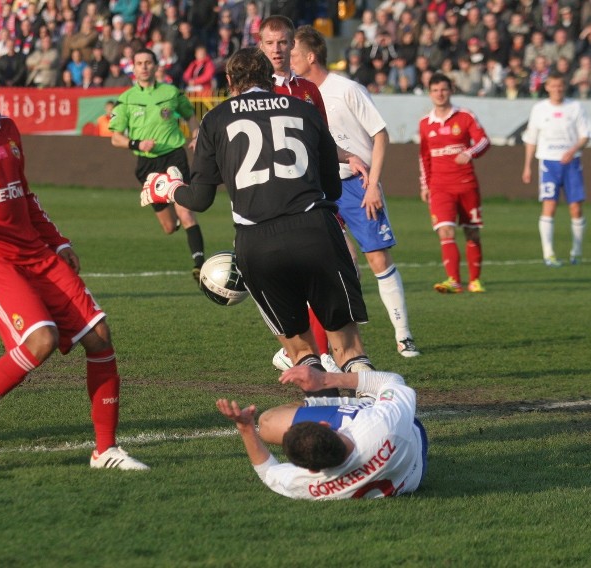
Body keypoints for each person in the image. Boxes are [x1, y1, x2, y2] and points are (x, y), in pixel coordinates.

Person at [0, 47, 148, 473]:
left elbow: (24, 195)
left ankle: (104, 449)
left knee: (100, 337)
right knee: (40, 341)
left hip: (36, 252)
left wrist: (57, 241)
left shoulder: (8, 129)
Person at [140, 47, 376, 393]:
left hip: (258, 241)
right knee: (349, 348)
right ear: (271, 78)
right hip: (315, 230)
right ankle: (381, 423)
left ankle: (328, 432)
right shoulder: (304, 110)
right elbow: (331, 188)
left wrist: (168, 187)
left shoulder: (216, 119)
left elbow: (200, 199)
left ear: (231, 81)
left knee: (303, 354)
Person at [291, 25, 420, 359]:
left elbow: (380, 135)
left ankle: (403, 336)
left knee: (378, 259)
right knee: (322, 264)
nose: (287, 59)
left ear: (310, 55)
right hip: (319, 189)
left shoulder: (347, 89)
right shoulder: (295, 94)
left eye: (292, 53)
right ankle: (322, 349)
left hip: (356, 186)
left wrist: (373, 184)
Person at [258, 14, 369, 373]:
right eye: (270, 43)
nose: (277, 49)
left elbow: (322, 141)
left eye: (282, 42)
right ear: (261, 46)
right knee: (307, 274)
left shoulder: (308, 91)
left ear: (293, 45)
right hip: (275, 204)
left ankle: (313, 353)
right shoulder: (256, 93)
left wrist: (348, 155)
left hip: (314, 196)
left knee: (346, 263)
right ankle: (305, 350)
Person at [216, 365, 427, 500]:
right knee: (270, 423)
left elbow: (269, 473)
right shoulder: (382, 424)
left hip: (410, 474)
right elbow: (392, 381)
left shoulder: (309, 486)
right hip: (408, 437)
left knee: (267, 423)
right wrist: (325, 379)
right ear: (326, 425)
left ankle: (343, 402)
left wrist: (245, 428)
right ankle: (365, 402)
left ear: (312, 470)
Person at [109, 47, 206, 280]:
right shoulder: (126, 99)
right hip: (147, 164)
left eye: (148, 62)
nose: (144, 66)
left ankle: (200, 265)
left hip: (174, 156)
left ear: (155, 66)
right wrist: (137, 144)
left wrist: (195, 135)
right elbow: (115, 137)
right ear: (134, 67)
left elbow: (190, 115)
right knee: (170, 227)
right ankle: (173, 213)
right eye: (139, 63)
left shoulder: (171, 92)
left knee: (186, 213)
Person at [418, 72, 490, 294]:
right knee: (445, 231)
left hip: (466, 183)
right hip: (440, 186)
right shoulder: (424, 123)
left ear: (451, 91)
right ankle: (454, 281)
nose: (440, 94)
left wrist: (469, 153)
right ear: (430, 94)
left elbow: (484, 141)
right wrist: (424, 185)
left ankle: (475, 280)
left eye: (444, 90)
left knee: (471, 233)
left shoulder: (465, 116)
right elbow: (424, 157)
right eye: (435, 90)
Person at [521, 72, 591, 267]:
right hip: (548, 163)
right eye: (553, 86)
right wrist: (527, 166)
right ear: (547, 87)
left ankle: (576, 253)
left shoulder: (575, 107)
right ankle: (549, 254)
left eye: (560, 86)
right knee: (549, 206)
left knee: (576, 208)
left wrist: (574, 150)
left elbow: (585, 135)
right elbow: (531, 139)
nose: (557, 89)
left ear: (565, 86)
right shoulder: (539, 109)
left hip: (572, 163)